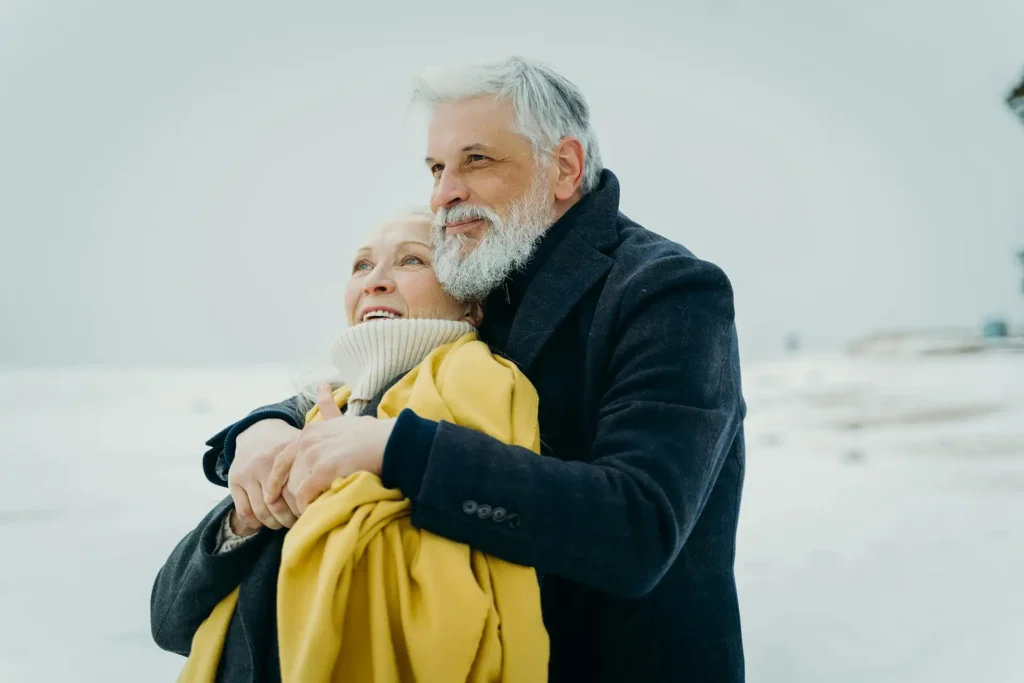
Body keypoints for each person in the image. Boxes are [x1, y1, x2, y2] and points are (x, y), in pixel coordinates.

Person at [203, 57, 747, 682]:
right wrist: (262, 428)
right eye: (436, 168)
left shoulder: (666, 291)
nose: (443, 195)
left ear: (565, 167)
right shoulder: (475, 276)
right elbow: (377, 373)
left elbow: (638, 528)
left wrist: (398, 449)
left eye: (475, 161)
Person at [151, 211, 549, 682]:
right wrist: (246, 516)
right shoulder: (320, 414)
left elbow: (458, 606)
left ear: (472, 304)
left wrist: (346, 489)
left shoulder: (480, 385)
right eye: (362, 265)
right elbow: (169, 621)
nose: (375, 281)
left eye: (411, 261)